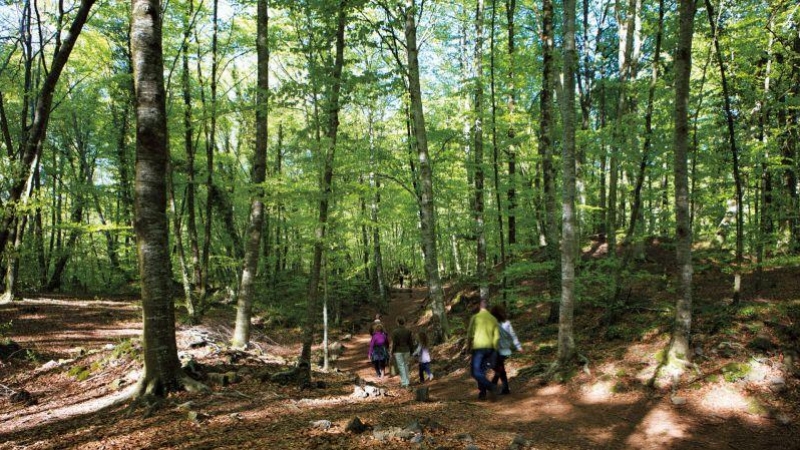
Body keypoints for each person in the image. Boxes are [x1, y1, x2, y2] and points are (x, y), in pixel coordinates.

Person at [466, 299, 499, 400]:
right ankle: (482, 394)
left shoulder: (475, 317)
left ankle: (491, 386)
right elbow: (497, 336)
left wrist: (468, 346)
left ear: (479, 306)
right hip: (490, 348)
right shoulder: (493, 318)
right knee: (482, 371)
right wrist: (494, 350)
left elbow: (470, 335)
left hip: (479, 348)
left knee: (475, 372)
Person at [490, 304, 523, 395]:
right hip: (505, 350)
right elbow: (513, 335)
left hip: (497, 350)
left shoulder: (493, 324)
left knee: (497, 367)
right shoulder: (507, 323)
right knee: (499, 367)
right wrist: (518, 346)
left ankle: (496, 385)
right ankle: (501, 386)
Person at [390, 316, 414, 387]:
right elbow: (410, 343)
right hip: (407, 350)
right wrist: (412, 351)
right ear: (404, 322)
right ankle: (407, 381)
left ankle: (404, 382)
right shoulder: (408, 331)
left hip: (398, 351)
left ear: (397, 322)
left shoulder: (395, 332)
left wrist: (392, 351)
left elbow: (395, 343)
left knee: (401, 366)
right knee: (406, 365)